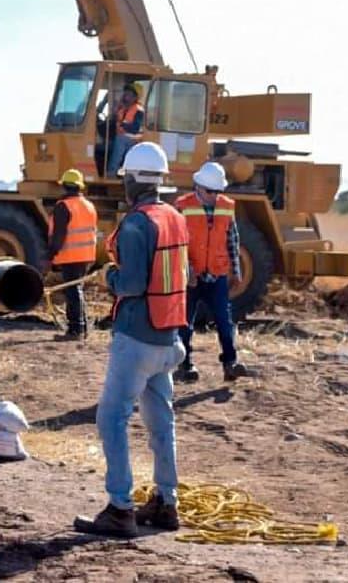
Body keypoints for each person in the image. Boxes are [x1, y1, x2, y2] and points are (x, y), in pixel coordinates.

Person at [74, 142, 188, 538]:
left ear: (136, 180)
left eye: (125, 176)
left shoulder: (138, 223)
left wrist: (109, 278)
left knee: (111, 419)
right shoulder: (174, 216)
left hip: (137, 337)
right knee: (161, 422)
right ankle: (166, 503)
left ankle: (120, 509)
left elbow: (134, 283)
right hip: (169, 338)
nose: (122, 182)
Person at [174, 162, 255, 383]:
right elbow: (176, 243)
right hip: (191, 276)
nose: (214, 196)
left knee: (224, 321)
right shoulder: (182, 206)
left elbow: (232, 238)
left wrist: (236, 270)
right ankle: (185, 366)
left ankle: (231, 363)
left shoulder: (227, 206)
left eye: (218, 191)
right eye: (210, 191)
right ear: (198, 187)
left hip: (217, 275)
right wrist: (186, 268)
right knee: (184, 324)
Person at [48, 169, 98, 340]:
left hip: (71, 256)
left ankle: (75, 331)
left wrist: (51, 254)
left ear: (64, 185)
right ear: (79, 186)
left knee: (73, 291)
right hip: (86, 256)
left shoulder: (64, 206)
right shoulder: (89, 205)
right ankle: (82, 328)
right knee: (77, 290)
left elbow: (59, 235)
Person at [105, 83, 145, 178]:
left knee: (119, 144)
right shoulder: (123, 108)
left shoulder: (139, 110)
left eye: (129, 94)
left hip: (132, 139)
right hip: (122, 137)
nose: (125, 95)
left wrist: (123, 124)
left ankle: (112, 172)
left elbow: (135, 128)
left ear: (135, 97)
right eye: (125, 93)